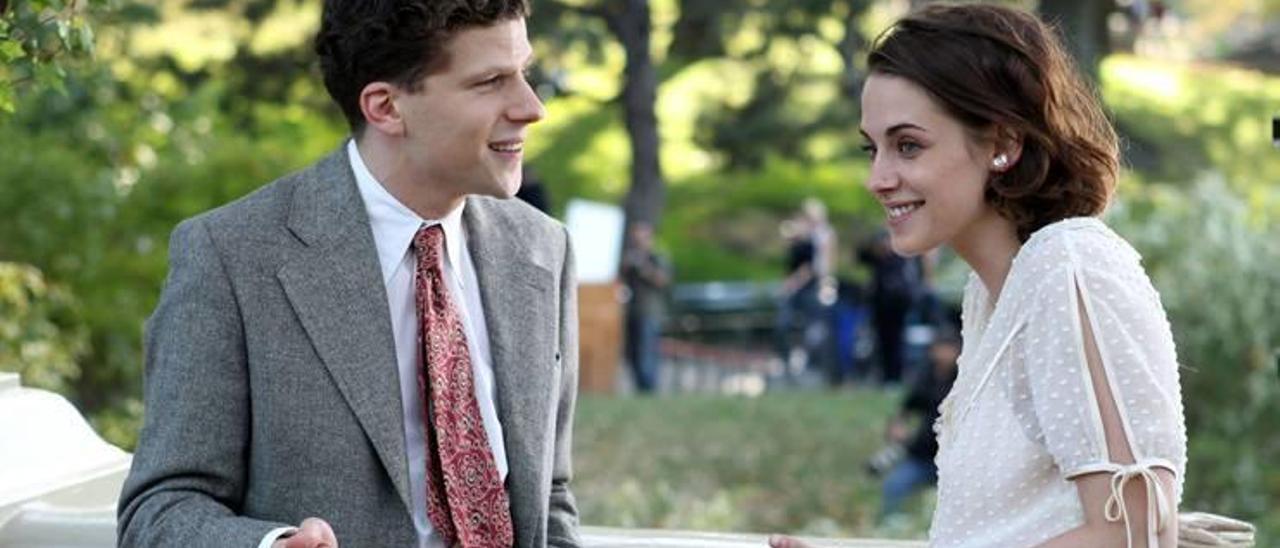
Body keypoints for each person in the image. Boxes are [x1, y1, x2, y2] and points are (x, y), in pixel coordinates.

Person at [117, 2, 582, 547]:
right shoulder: (230, 257)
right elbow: (160, 511)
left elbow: (548, 497)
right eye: (490, 82)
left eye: (524, 72)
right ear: (385, 106)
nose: (531, 107)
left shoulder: (543, 249)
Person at [772, 4, 1185, 548]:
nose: (878, 178)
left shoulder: (1070, 265)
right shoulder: (994, 295)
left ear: (1004, 144)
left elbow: (1129, 530)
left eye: (908, 145)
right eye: (872, 149)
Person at [872, 329, 958, 519]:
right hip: (921, 456)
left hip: (952, 459)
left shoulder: (962, 380)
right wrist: (896, 426)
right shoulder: (925, 377)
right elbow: (906, 407)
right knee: (894, 486)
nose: (944, 354)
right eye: (940, 348)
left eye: (949, 349)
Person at [619, 221, 671, 394]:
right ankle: (639, 387)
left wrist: (643, 268)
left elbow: (662, 280)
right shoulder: (631, 258)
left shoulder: (657, 258)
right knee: (633, 352)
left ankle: (649, 388)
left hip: (650, 312)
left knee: (647, 351)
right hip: (632, 312)